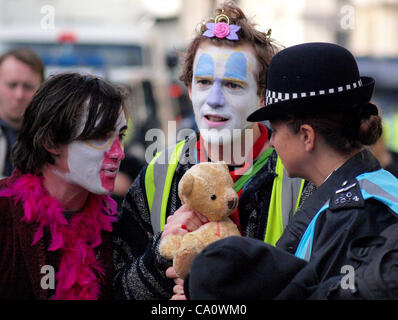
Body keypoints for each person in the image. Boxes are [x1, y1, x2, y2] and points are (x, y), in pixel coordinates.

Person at [113, 2, 309, 300]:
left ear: (261, 97)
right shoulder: (159, 172)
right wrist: (160, 254)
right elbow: (118, 291)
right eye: (204, 82)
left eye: (232, 85)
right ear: (189, 89)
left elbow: (322, 286)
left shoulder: (299, 173)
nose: (214, 100)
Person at [185, 42, 398, 300]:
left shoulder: (355, 215)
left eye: (274, 130)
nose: (272, 142)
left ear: (307, 136)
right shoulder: (366, 194)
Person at [0, 72, 127, 300]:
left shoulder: (118, 225)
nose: (119, 153)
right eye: (100, 137)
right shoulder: (4, 213)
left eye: (121, 136)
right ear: (50, 142)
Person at [0, 48, 44, 178]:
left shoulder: (53, 139)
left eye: (28, 87)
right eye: (12, 85)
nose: (19, 95)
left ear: (41, 89)